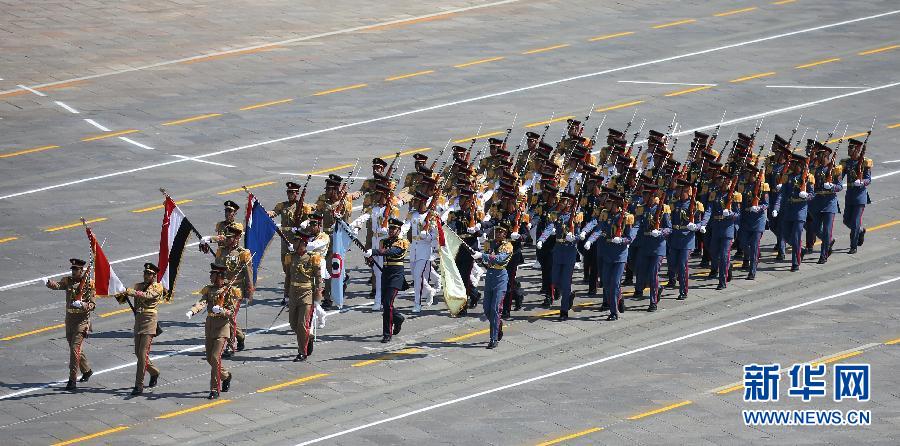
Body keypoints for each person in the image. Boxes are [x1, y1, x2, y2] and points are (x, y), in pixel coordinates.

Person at [186, 263, 239, 399]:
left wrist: (221, 310)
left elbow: (231, 312)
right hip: (210, 327)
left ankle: (215, 389)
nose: (211, 277)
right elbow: (202, 302)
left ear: (220, 276)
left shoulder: (229, 291)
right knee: (210, 358)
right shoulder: (209, 289)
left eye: (213, 275)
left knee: (215, 358)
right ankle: (226, 375)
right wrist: (193, 310)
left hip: (222, 328)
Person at [114, 263, 164, 395]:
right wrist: (118, 291)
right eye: (145, 273)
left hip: (149, 321)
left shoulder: (158, 287)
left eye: (149, 274)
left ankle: (138, 385)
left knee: (142, 354)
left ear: (154, 276)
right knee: (138, 352)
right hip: (139, 321)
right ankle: (154, 371)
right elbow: (122, 300)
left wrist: (130, 291)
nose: (147, 276)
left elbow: (147, 296)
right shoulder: (138, 286)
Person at [46, 258, 95, 391]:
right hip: (70, 321)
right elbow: (58, 285)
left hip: (82, 321)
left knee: (74, 350)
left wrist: (84, 305)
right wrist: (48, 282)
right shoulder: (68, 281)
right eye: (72, 269)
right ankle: (87, 370)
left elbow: (92, 304)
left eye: (76, 270)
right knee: (76, 349)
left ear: (81, 270)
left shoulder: (89, 284)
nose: (73, 272)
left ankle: (72, 379)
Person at [365, 218, 410, 343]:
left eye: (393, 229)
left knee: (388, 303)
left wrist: (374, 251)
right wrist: (370, 258)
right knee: (385, 303)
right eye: (390, 228)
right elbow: (381, 256)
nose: (391, 231)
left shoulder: (403, 242)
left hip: (396, 274)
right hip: (385, 273)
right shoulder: (383, 241)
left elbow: (392, 252)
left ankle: (387, 333)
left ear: (399, 230)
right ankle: (398, 318)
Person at [215, 223, 252, 356]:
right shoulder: (222, 250)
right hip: (223, 289)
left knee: (229, 316)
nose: (227, 239)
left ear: (237, 238)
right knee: (226, 317)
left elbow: (248, 274)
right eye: (227, 237)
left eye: (230, 237)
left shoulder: (243, 253)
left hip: (236, 289)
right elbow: (217, 269)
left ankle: (230, 346)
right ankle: (240, 336)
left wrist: (249, 291)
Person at [474, 223, 513, 349]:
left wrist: (483, 256)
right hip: (490, 276)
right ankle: (498, 324)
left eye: (501, 231)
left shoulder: (507, 246)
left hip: (500, 277)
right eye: (497, 231)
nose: (498, 233)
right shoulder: (489, 243)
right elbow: (486, 261)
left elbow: (500, 259)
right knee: (486, 308)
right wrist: (477, 257)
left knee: (495, 308)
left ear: (505, 233)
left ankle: (493, 338)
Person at [667, 180, 708, 299]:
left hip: (687, 238)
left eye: (679, 190)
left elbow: (700, 221)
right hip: (675, 237)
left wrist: (696, 227)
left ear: (686, 191)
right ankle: (676, 280)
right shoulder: (673, 204)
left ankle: (683, 290)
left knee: (682, 264)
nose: (677, 192)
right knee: (672, 263)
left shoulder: (695, 204)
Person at [773, 152, 813, 272]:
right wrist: (776, 208)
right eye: (793, 164)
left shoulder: (807, 178)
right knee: (784, 235)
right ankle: (800, 249)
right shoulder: (788, 177)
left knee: (796, 237)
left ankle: (795, 263)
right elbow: (781, 195)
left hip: (800, 211)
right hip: (788, 210)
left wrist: (806, 195)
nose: (794, 166)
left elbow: (812, 195)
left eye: (797, 164)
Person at [287, 231, 322, 361]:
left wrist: (318, 295)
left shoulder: (312, 258)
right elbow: (288, 277)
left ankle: (302, 352)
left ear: (304, 243)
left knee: (302, 324)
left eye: (297, 242)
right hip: (293, 292)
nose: (294, 244)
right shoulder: (291, 257)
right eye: (294, 241)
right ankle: (308, 337)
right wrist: (286, 294)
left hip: (306, 293)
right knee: (293, 324)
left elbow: (318, 278)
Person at [809, 144, 842, 263]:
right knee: (816, 229)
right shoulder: (814, 169)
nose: (817, 157)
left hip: (829, 204)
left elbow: (840, 186)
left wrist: (832, 186)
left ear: (826, 156)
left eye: (820, 155)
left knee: (827, 230)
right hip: (817, 203)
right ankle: (828, 241)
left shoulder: (835, 169)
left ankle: (823, 255)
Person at [840, 139, 872, 254]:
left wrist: (862, 182)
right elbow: (840, 177)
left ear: (858, 149)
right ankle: (861, 230)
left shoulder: (864, 162)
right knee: (846, 221)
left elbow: (869, 179)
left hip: (860, 197)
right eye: (849, 148)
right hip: (850, 196)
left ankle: (853, 246)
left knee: (854, 222)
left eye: (851, 148)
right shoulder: (846, 162)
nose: (849, 150)